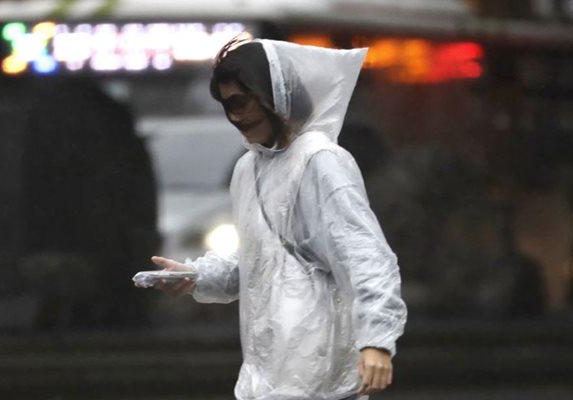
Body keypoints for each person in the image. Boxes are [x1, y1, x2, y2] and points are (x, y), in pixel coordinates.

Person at [138, 34, 407, 399]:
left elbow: (364, 255)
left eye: (241, 102)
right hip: (268, 375)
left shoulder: (320, 161)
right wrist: (197, 276)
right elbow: (259, 262)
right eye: (226, 106)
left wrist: (376, 340)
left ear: (275, 94)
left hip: (320, 377)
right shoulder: (249, 169)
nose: (235, 116)